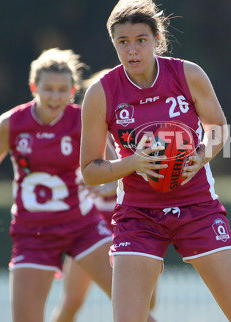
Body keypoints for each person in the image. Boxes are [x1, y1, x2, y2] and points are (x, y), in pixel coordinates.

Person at [80, 0, 231, 322]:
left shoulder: (187, 75)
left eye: (141, 39)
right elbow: (91, 171)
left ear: (156, 39)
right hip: (138, 216)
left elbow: (219, 128)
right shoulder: (101, 93)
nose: (132, 49)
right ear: (114, 44)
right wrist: (133, 163)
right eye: (122, 42)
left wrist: (201, 155)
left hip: (198, 208)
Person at [0, 48, 114, 322]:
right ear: (34, 87)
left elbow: (114, 164)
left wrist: (109, 185)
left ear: (73, 90)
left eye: (62, 89)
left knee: (134, 305)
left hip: (83, 226)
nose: (55, 96)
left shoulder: (82, 119)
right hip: (33, 234)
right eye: (48, 89)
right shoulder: (12, 123)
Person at [50, 69, 157, 322]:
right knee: (72, 301)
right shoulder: (84, 128)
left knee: (146, 303)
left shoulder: (139, 125)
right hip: (94, 224)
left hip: (135, 219)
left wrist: (115, 181)